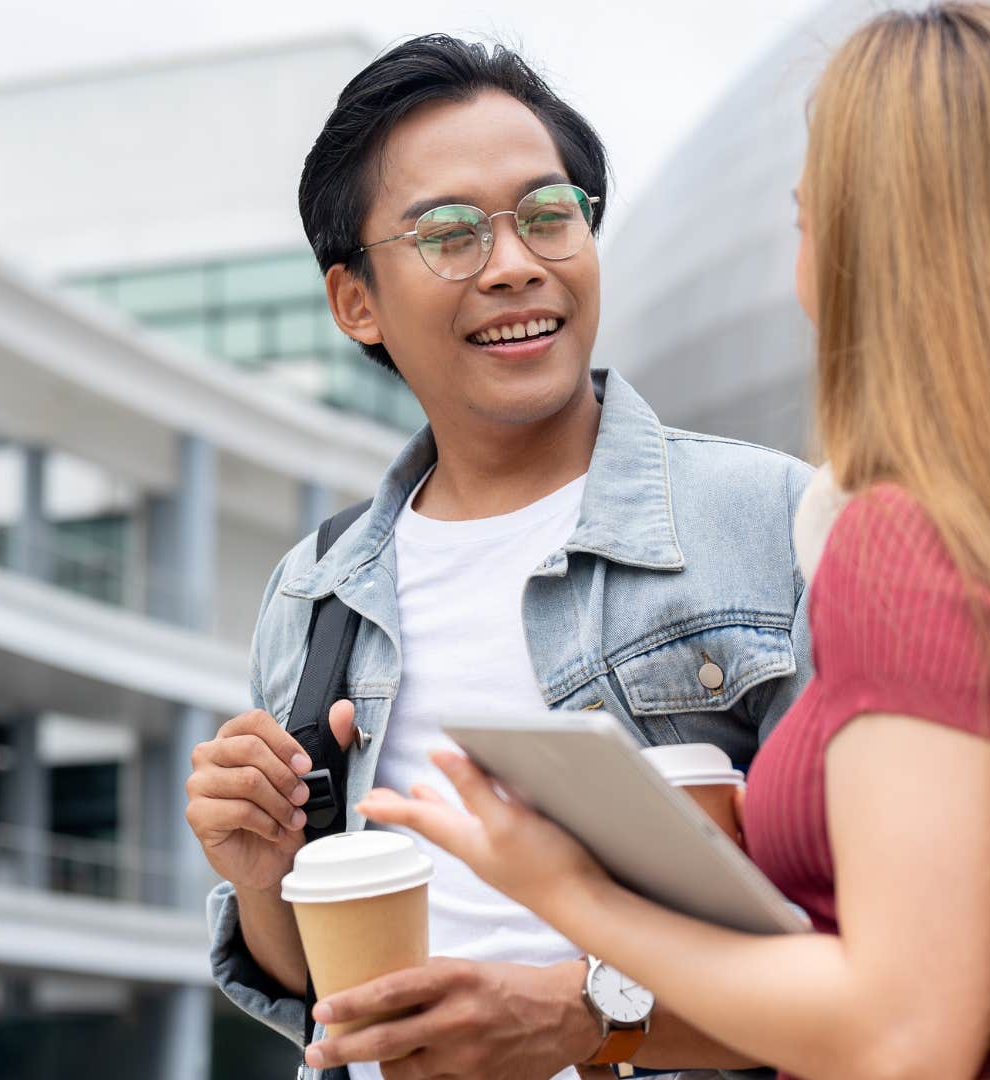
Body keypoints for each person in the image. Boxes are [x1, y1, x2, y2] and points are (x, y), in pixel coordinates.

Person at [350, 6, 990, 1080]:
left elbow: (902, 1035)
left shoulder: (898, 546)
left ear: (880, 246)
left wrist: (569, 890)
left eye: (809, 220)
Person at [186, 35, 813, 1080]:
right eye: (450, 233)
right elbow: (319, 994)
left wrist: (584, 1015)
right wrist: (263, 874)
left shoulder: (771, 521)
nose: (516, 262)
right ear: (357, 303)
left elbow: (870, 968)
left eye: (548, 213)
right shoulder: (317, 589)